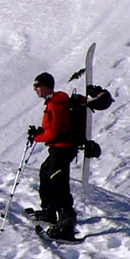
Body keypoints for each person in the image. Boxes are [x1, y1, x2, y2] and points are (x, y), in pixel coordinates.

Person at [27, 72, 81, 241]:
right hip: (58, 148)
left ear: (45, 85)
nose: (35, 89)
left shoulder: (56, 103)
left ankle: (66, 226)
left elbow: (53, 132)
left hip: (63, 148)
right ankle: (49, 212)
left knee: (58, 183)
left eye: (37, 85)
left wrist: (38, 136)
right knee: (46, 173)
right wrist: (40, 132)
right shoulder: (52, 102)